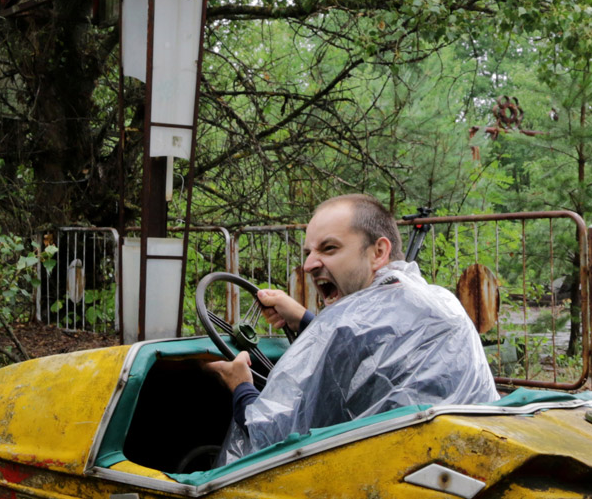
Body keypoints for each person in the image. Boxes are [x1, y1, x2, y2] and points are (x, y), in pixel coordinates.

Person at [202, 194, 496, 463]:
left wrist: (240, 385)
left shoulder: (345, 325)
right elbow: (366, 348)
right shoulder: (438, 301)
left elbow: (270, 437)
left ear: (378, 251)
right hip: (459, 461)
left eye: (329, 248)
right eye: (308, 252)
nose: (308, 265)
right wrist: (304, 320)